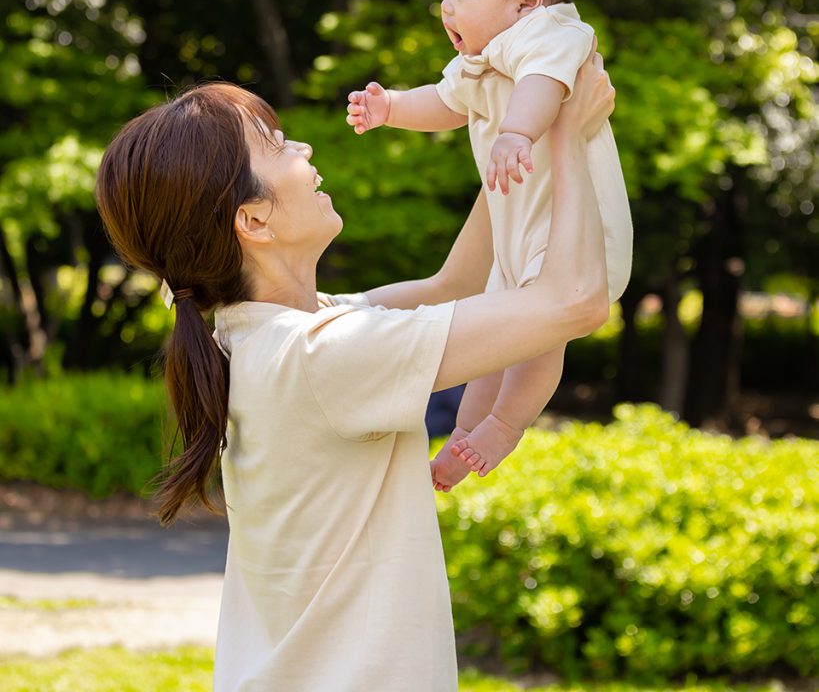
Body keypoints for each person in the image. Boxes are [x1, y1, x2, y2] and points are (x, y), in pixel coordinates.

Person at [95, 56, 613, 692]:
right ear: (253, 220)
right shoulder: (319, 355)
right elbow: (577, 301)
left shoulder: (272, 335)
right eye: (277, 144)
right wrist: (568, 135)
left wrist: (511, 131)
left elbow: (456, 284)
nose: (304, 146)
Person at [346, 0, 633, 491]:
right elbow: (445, 103)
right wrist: (392, 107)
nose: (445, 8)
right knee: (491, 339)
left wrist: (515, 132)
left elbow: (545, 85)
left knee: (536, 333)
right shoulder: (480, 61)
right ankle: (462, 441)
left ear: (526, 1)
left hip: (576, 236)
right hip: (520, 234)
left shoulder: (550, 33)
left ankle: (503, 426)